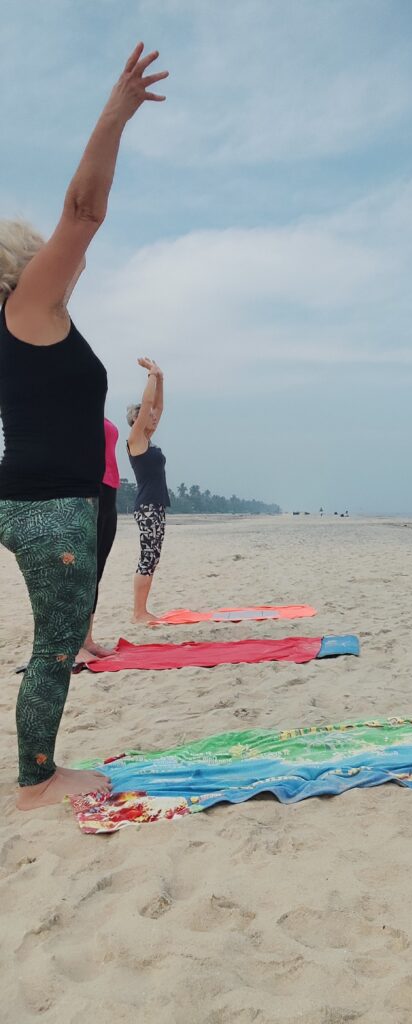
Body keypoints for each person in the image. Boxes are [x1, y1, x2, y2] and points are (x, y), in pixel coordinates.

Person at [0, 43, 168, 810]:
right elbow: (84, 211)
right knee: (56, 650)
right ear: (26, 264)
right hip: (50, 507)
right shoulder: (28, 308)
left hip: (36, 501)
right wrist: (117, 113)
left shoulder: (30, 323)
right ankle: (37, 780)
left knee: (58, 645)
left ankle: (39, 769)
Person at [127, 359, 171, 623]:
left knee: (152, 556)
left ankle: (142, 610)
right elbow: (147, 406)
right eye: (146, 416)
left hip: (156, 506)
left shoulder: (148, 440)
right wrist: (151, 376)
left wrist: (161, 379)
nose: (153, 417)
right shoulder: (136, 439)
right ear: (136, 420)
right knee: (147, 557)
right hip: (147, 508)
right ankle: (138, 613)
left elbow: (158, 406)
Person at [76, 417, 121, 663]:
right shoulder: (74, 408)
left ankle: (87, 640)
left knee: (96, 572)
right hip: (89, 489)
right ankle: (74, 644)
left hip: (109, 491)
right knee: (84, 572)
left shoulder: (98, 409)